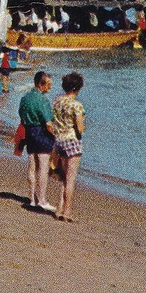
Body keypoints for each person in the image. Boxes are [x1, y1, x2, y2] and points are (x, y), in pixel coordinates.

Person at [48, 71, 87, 223]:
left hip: (58, 141)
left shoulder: (57, 101)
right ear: (78, 88)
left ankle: (59, 208)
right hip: (72, 140)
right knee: (70, 179)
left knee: (63, 177)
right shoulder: (76, 105)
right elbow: (81, 128)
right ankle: (67, 211)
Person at [17, 71, 56, 212]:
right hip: (41, 133)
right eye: (48, 85)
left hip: (29, 132)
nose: (50, 88)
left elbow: (21, 115)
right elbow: (49, 123)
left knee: (32, 166)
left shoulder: (25, 98)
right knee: (43, 167)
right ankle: (42, 200)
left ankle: (32, 199)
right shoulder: (43, 100)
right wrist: (56, 136)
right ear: (41, 84)